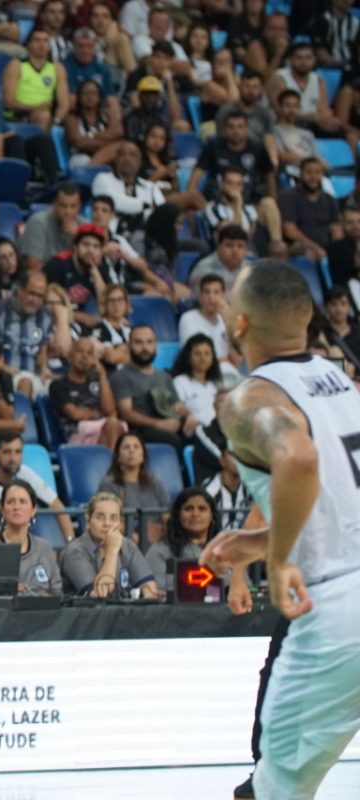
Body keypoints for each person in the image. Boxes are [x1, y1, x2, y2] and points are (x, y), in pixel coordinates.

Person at [197, 259, 360, 799]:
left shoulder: (249, 400)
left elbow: (297, 456)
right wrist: (262, 540)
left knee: (271, 792)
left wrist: (280, 557)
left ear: (240, 323)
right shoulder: (341, 382)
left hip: (338, 613)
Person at [0, 271, 73, 398]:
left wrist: (44, 368)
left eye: (40, 296)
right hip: (4, 374)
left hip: (35, 375)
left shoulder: (44, 316)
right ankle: (23, 411)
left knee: (65, 387)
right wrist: (2, 366)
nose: (35, 300)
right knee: (25, 383)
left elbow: (43, 350)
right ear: (19, 290)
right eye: (31, 294)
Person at [0, 430, 75, 542]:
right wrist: (12, 552)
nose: (13, 458)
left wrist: (70, 543)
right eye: (7, 452)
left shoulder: (25, 472)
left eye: (18, 452)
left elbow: (58, 507)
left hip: (15, 545)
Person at [63, 491, 163, 598]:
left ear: (120, 523)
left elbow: (151, 590)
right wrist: (112, 551)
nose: (107, 523)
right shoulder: (75, 551)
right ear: (88, 522)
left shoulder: (128, 546)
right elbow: (99, 596)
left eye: (113, 518)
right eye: (100, 517)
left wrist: (141, 593)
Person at [111, 325, 196, 449]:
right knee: (172, 440)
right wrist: (158, 424)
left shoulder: (164, 376)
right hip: (140, 430)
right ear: (129, 345)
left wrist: (189, 416)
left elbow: (176, 406)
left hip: (167, 423)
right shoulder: (121, 376)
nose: (145, 348)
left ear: (155, 345)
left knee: (199, 434)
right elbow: (126, 413)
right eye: (138, 342)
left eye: (149, 342)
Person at [97, 430, 169, 544]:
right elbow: (108, 520)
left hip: (157, 539)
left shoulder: (154, 482)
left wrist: (166, 534)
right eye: (126, 447)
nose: (132, 450)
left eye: (136, 447)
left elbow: (167, 515)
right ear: (118, 456)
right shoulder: (109, 484)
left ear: (143, 455)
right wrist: (138, 539)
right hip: (126, 541)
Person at [50, 336, 123, 448]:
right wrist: (100, 414)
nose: (85, 356)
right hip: (78, 437)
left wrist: (102, 375)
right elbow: (75, 414)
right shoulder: (58, 385)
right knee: (113, 424)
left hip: (105, 429)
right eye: (80, 351)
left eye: (89, 353)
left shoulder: (98, 382)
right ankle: (114, 459)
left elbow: (110, 411)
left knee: (117, 426)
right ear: (69, 357)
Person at [0, 480, 63, 595]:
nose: (17, 507)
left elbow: (58, 593)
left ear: (33, 510)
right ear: (2, 510)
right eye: (10, 502)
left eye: (22, 501)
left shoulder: (44, 548)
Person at [146, 486, 221, 581]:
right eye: (188, 509)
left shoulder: (225, 550)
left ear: (212, 517)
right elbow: (156, 588)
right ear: (178, 515)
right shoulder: (160, 552)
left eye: (202, 509)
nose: (195, 514)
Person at [3, 28, 71, 129]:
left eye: (45, 40)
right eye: (37, 40)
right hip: (18, 114)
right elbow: (8, 101)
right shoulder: (16, 65)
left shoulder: (57, 68)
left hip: (46, 116)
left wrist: (56, 122)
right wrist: (36, 107)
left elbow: (64, 103)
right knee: (43, 116)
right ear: (28, 44)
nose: (41, 45)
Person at [278, 157, 341, 261]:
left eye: (317, 172)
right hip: (299, 246)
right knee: (306, 252)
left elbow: (336, 230)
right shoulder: (288, 196)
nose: (313, 177)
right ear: (300, 174)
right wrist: (315, 248)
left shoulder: (330, 199)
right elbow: (290, 230)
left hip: (325, 247)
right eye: (309, 172)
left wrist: (338, 248)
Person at [18, 183, 85, 271]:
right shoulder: (38, 223)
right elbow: (34, 266)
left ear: (79, 206)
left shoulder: (84, 225)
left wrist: (79, 236)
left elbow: (91, 263)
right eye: (63, 205)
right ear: (54, 204)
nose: (68, 212)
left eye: (73, 206)